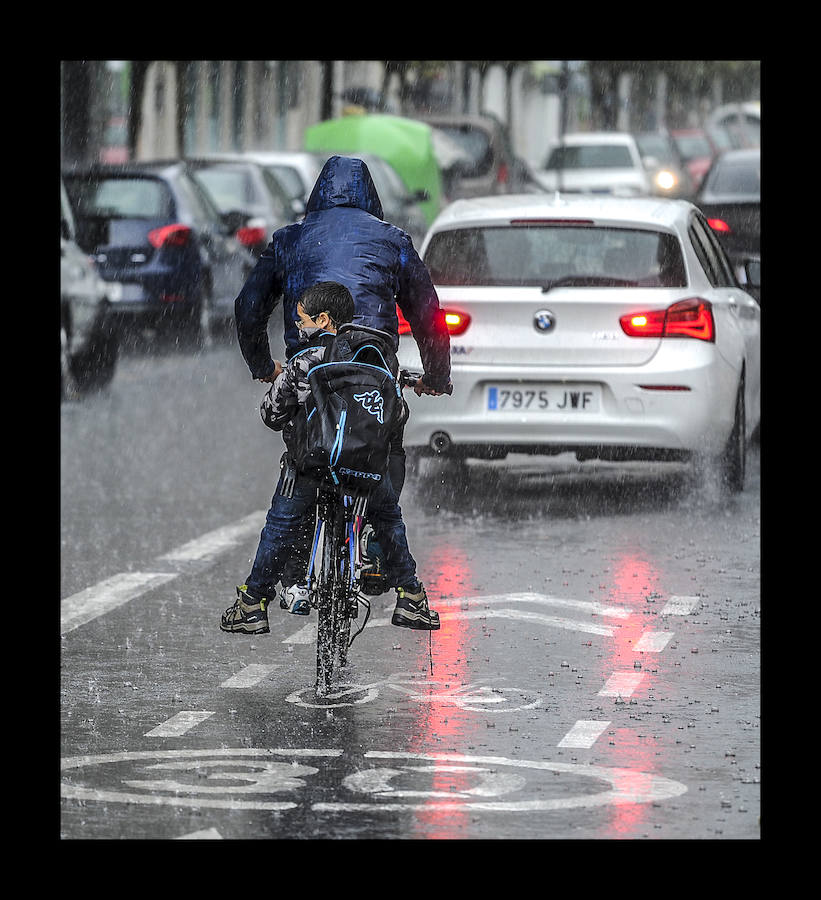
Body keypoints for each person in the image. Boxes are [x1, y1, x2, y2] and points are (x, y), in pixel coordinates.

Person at [231, 154, 451, 602]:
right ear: (371, 198)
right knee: (386, 442)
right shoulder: (393, 241)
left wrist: (263, 366)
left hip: (313, 373)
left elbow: (248, 308)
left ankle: (280, 580)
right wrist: (435, 374)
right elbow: (429, 317)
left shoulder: (290, 239)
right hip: (372, 369)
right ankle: (374, 546)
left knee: (301, 458)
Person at [221, 281, 439, 634]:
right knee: (388, 517)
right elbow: (397, 415)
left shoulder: (306, 361)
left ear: (322, 320)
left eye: (301, 320)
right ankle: (410, 597)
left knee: (282, 521)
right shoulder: (375, 357)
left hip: (313, 465)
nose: (297, 327)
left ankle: (253, 603)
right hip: (367, 468)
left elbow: (271, 414)